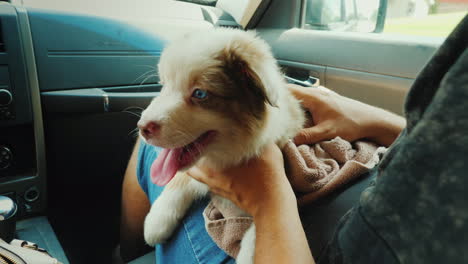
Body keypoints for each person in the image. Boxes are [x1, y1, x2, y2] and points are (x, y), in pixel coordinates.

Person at [120, 15, 468, 264]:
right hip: (369, 207)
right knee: (161, 146)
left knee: (150, 150)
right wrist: (380, 121)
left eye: (199, 94)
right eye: (165, 84)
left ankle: (128, 254)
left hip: (318, 245)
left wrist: (267, 200)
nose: (149, 118)